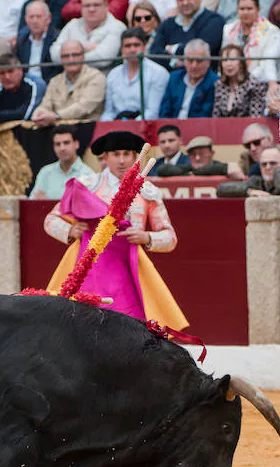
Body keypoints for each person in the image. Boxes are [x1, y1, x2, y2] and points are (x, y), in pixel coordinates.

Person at [43, 128, 187, 328]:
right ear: (105, 157)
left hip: (128, 266)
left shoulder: (148, 192)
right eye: (116, 154)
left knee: (129, 323)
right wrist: (72, 231)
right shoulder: (88, 186)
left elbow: (170, 238)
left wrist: (146, 237)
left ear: (135, 157)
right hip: (88, 264)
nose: (121, 161)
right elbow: (50, 220)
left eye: (127, 154)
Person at [31, 40, 106, 124]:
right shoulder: (55, 81)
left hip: (86, 127)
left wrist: (57, 116)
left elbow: (84, 107)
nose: (71, 59)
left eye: (75, 55)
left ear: (83, 56)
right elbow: (45, 105)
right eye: (66, 56)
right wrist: (38, 114)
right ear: (61, 59)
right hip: (57, 130)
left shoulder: (96, 77)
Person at [101, 26, 167, 120]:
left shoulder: (158, 73)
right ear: (122, 49)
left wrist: (129, 126)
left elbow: (153, 112)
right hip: (117, 124)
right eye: (127, 46)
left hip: (144, 125)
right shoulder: (113, 74)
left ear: (144, 47)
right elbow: (109, 111)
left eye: (136, 45)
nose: (132, 50)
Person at [158, 39, 217, 119]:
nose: (194, 65)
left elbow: (205, 115)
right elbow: (164, 111)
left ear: (208, 62)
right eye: (190, 60)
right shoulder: (174, 78)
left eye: (199, 61)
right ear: (184, 61)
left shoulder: (215, 82)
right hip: (171, 128)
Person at [30, 128, 92, 199]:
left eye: (66, 143)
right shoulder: (46, 172)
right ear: (53, 147)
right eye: (58, 144)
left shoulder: (88, 174)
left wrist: (47, 202)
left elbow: (88, 206)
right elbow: (33, 201)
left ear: (76, 144)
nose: (62, 148)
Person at [213, 44, 268, 118]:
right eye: (225, 60)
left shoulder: (254, 84)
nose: (228, 64)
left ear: (241, 63)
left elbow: (255, 118)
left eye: (233, 60)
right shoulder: (219, 85)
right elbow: (215, 117)